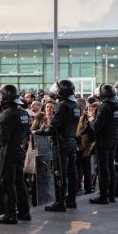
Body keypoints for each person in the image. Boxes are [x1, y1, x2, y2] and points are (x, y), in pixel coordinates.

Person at [34, 80, 81, 211]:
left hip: (61, 143)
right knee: (72, 172)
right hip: (71, 142)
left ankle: (60, 202)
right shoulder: (76, 105)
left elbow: (52, 128)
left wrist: (37, 131)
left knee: (59, 172)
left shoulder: (61, 105)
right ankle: (71, 200)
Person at [0, 84, 31, 224]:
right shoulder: (23, 113)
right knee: (20, 182)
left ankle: (10, 214)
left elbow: (2, 137)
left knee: (8, 183)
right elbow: (27, 133)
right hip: (20, 150)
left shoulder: (7, 114)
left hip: (8, 152)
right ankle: (24, 211)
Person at [90, 84, 118, 204]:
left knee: (103, 168)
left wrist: (92, 120)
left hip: (103, 140)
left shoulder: (104, 107)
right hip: (113, 138)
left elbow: (97, 126)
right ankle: (111, 195)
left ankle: (103, 196)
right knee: (110, 167)